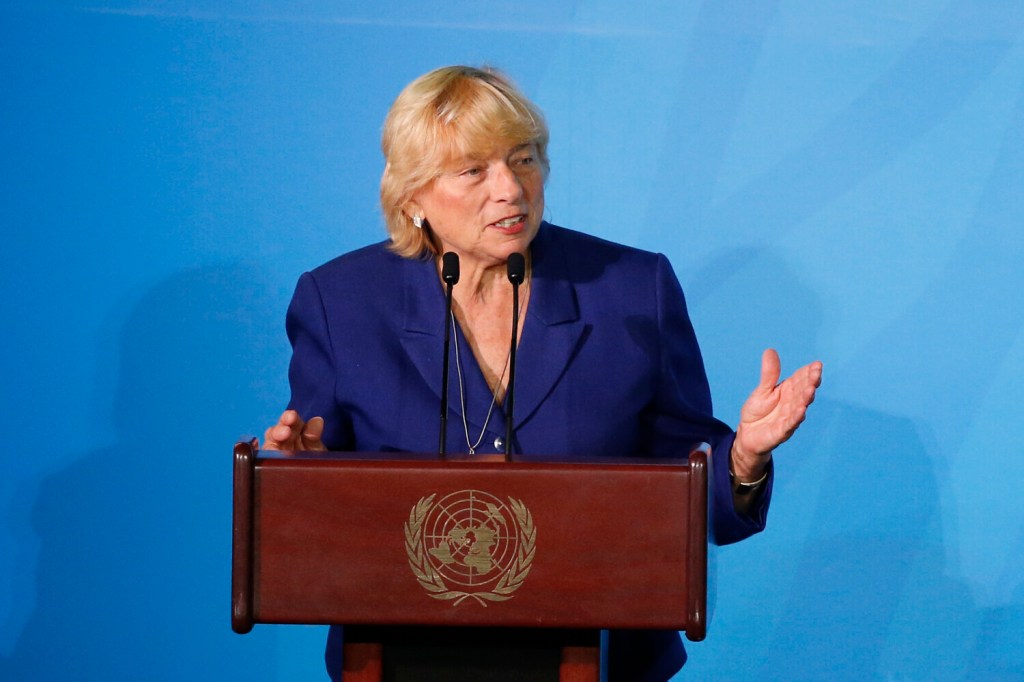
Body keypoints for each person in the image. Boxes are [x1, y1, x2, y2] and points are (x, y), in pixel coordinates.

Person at [261, 65, 822, 682]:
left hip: (601, 651)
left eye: (523, 160)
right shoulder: (341, 301)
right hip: (399, 653)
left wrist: (741, 459)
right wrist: (305, 475)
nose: (510, 188)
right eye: (474, 170)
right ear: (412, 197)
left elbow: (687, 493)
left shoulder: (632, 290)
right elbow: (322, 502)